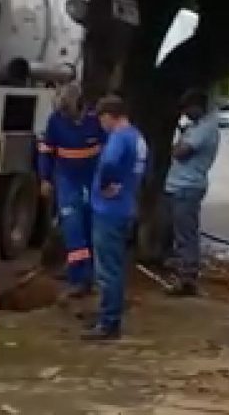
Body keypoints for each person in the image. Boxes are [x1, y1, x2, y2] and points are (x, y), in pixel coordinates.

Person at [83, 95, 147, 341]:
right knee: (116, 267)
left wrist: (108, 183)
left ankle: (108, 323)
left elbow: (109, 162)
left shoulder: (119, 137)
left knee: (107, 269)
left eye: (102, 120)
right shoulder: (138, 138)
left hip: (109, 210)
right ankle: (110, 318)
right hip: (126, 206)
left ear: (109, 116)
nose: (102, 126)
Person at [38, 83, 106, 297]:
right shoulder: (55, 121)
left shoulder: (95, 121)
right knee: (72, 227)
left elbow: (106, 151)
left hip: (91, 178)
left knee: (89, 226)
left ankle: (91, 275)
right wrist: (45, 179)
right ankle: (78, 277)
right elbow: (46, 151)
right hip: (67, 179)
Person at [164, 89, 220, 296]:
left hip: (187, 186)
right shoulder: (197, 126)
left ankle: (187, 278)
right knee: (182, 232)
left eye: (188, 108)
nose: (185, 113)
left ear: (198, 107)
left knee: (186, 234)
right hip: (181, 185)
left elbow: (180, 151)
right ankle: (184, 272)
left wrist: (177, 145)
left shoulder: (204, 129)